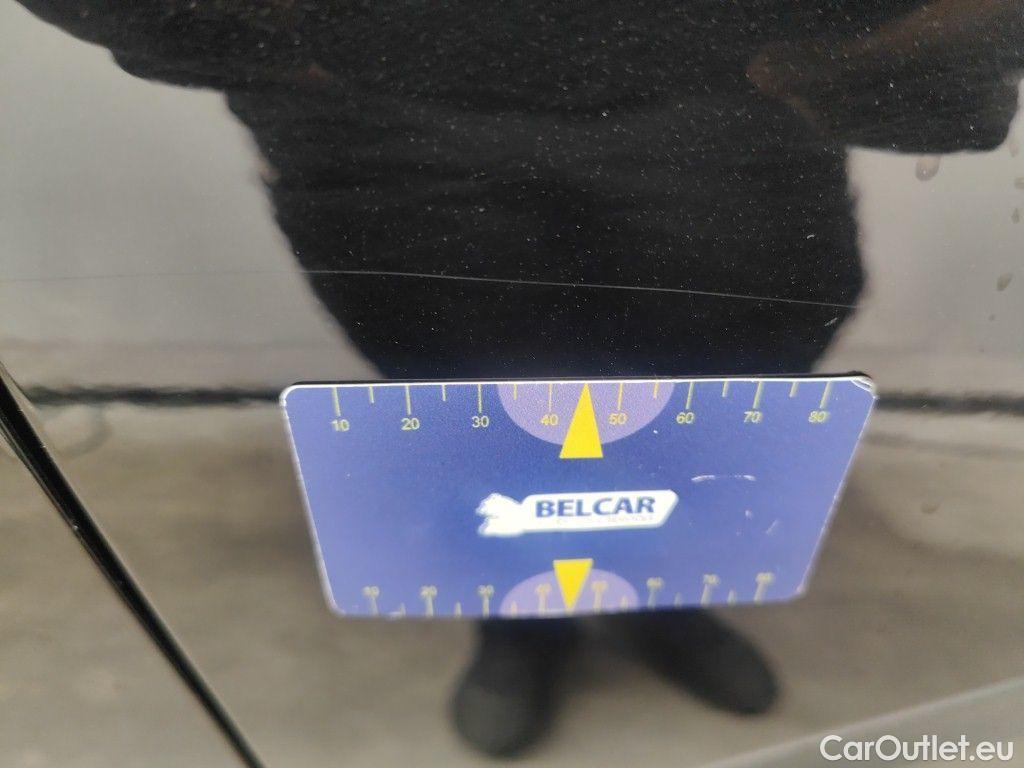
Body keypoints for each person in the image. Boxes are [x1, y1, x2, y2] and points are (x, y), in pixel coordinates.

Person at [16, 0, 1021, 755]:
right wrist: (245, 37)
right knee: (464, 394)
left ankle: (660, 595)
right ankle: (520, 621)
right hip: (370, 96)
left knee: (729, 378)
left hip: (725, 85)